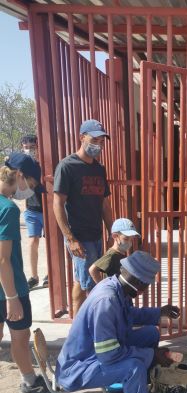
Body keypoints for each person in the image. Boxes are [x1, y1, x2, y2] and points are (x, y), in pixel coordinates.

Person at [55, 251, 181, 393]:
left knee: (150, 333)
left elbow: (129, 315)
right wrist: (151, 355)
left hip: (99, 352)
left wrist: (160, 312)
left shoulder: (117, 287)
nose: (145, 290)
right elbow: (109, 354)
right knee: (134, 368)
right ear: (139, 283)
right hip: (80, 366)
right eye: (146, 285)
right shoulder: (106, 301)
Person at [0, 152, 50, 393]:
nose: (29, 190)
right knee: (19, 336)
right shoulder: (8, 208)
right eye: (30, 184)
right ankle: (30, 383)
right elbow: (3, 259)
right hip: (10, 289)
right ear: (19, 175)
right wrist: (12, 297)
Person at [53, 119, 113, 316]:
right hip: (79, 236)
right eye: (94, 140)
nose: (98, 145)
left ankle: (79, 322)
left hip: (96, 234)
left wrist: (111, 232)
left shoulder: (99, 169)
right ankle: (82, 324)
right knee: (88, 281)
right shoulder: (67, 166)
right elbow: (57, 204)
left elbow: (104, 204)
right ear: (81, 137)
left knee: (84, 280)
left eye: (101, 141)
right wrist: (71, 239)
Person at [21, 135, 49, 290]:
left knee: (50, 243)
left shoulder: (45, 164)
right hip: (31, 210)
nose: (30, 150)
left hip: (46, 210)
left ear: (39, 148)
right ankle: (34, 276)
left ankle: (50, 274)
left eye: (32, 147)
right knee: (33, 242)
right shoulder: (21, 166)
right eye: (26, 147)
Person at [89, 218, 140, 284]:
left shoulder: (120, 253)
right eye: (126, 238)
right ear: (115, 236)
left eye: (131, 239)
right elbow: (92, 270)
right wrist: (102, 286)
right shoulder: (112, 255)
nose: (129, 242)